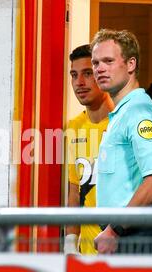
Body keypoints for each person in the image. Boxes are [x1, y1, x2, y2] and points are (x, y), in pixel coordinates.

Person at [90, 29, 152, 254]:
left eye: (108, 61)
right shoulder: (123, 113)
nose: (99, 69)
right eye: (96, 63)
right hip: (124, 234)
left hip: (134, 237)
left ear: (131, 64)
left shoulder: (139, 112)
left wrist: (114, 231)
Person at [64, 44, 114, 255]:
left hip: (119, 249)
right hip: (86, 255)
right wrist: (70, 243)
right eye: (74, 75)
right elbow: (74, 193)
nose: (79, 83)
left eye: (87, 74)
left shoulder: (121, 123)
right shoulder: (73, 127)